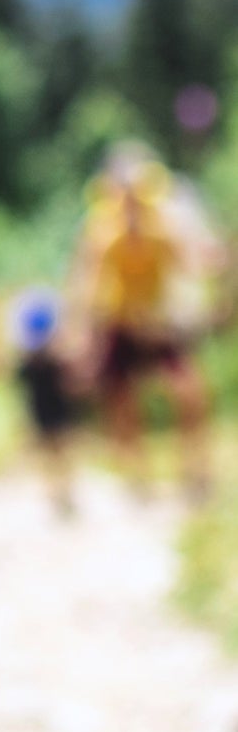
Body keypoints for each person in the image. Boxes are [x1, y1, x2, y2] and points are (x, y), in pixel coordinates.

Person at [74, 148, 212, 498]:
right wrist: (87, 336)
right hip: (120, 322)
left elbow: (189, 268)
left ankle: (193, 468)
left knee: (189, 391)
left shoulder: (162, 232)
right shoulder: (104, 234)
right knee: (121, 400)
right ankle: (137, 473)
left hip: (157, 322)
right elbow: (90, 283)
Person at [12, 290, 80, 516]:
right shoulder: (30, 365)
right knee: (49, 452)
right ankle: (54, 489)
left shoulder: (56, 363)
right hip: (42, 413)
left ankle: (63, 489)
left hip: (57, 412)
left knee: (61, 450)